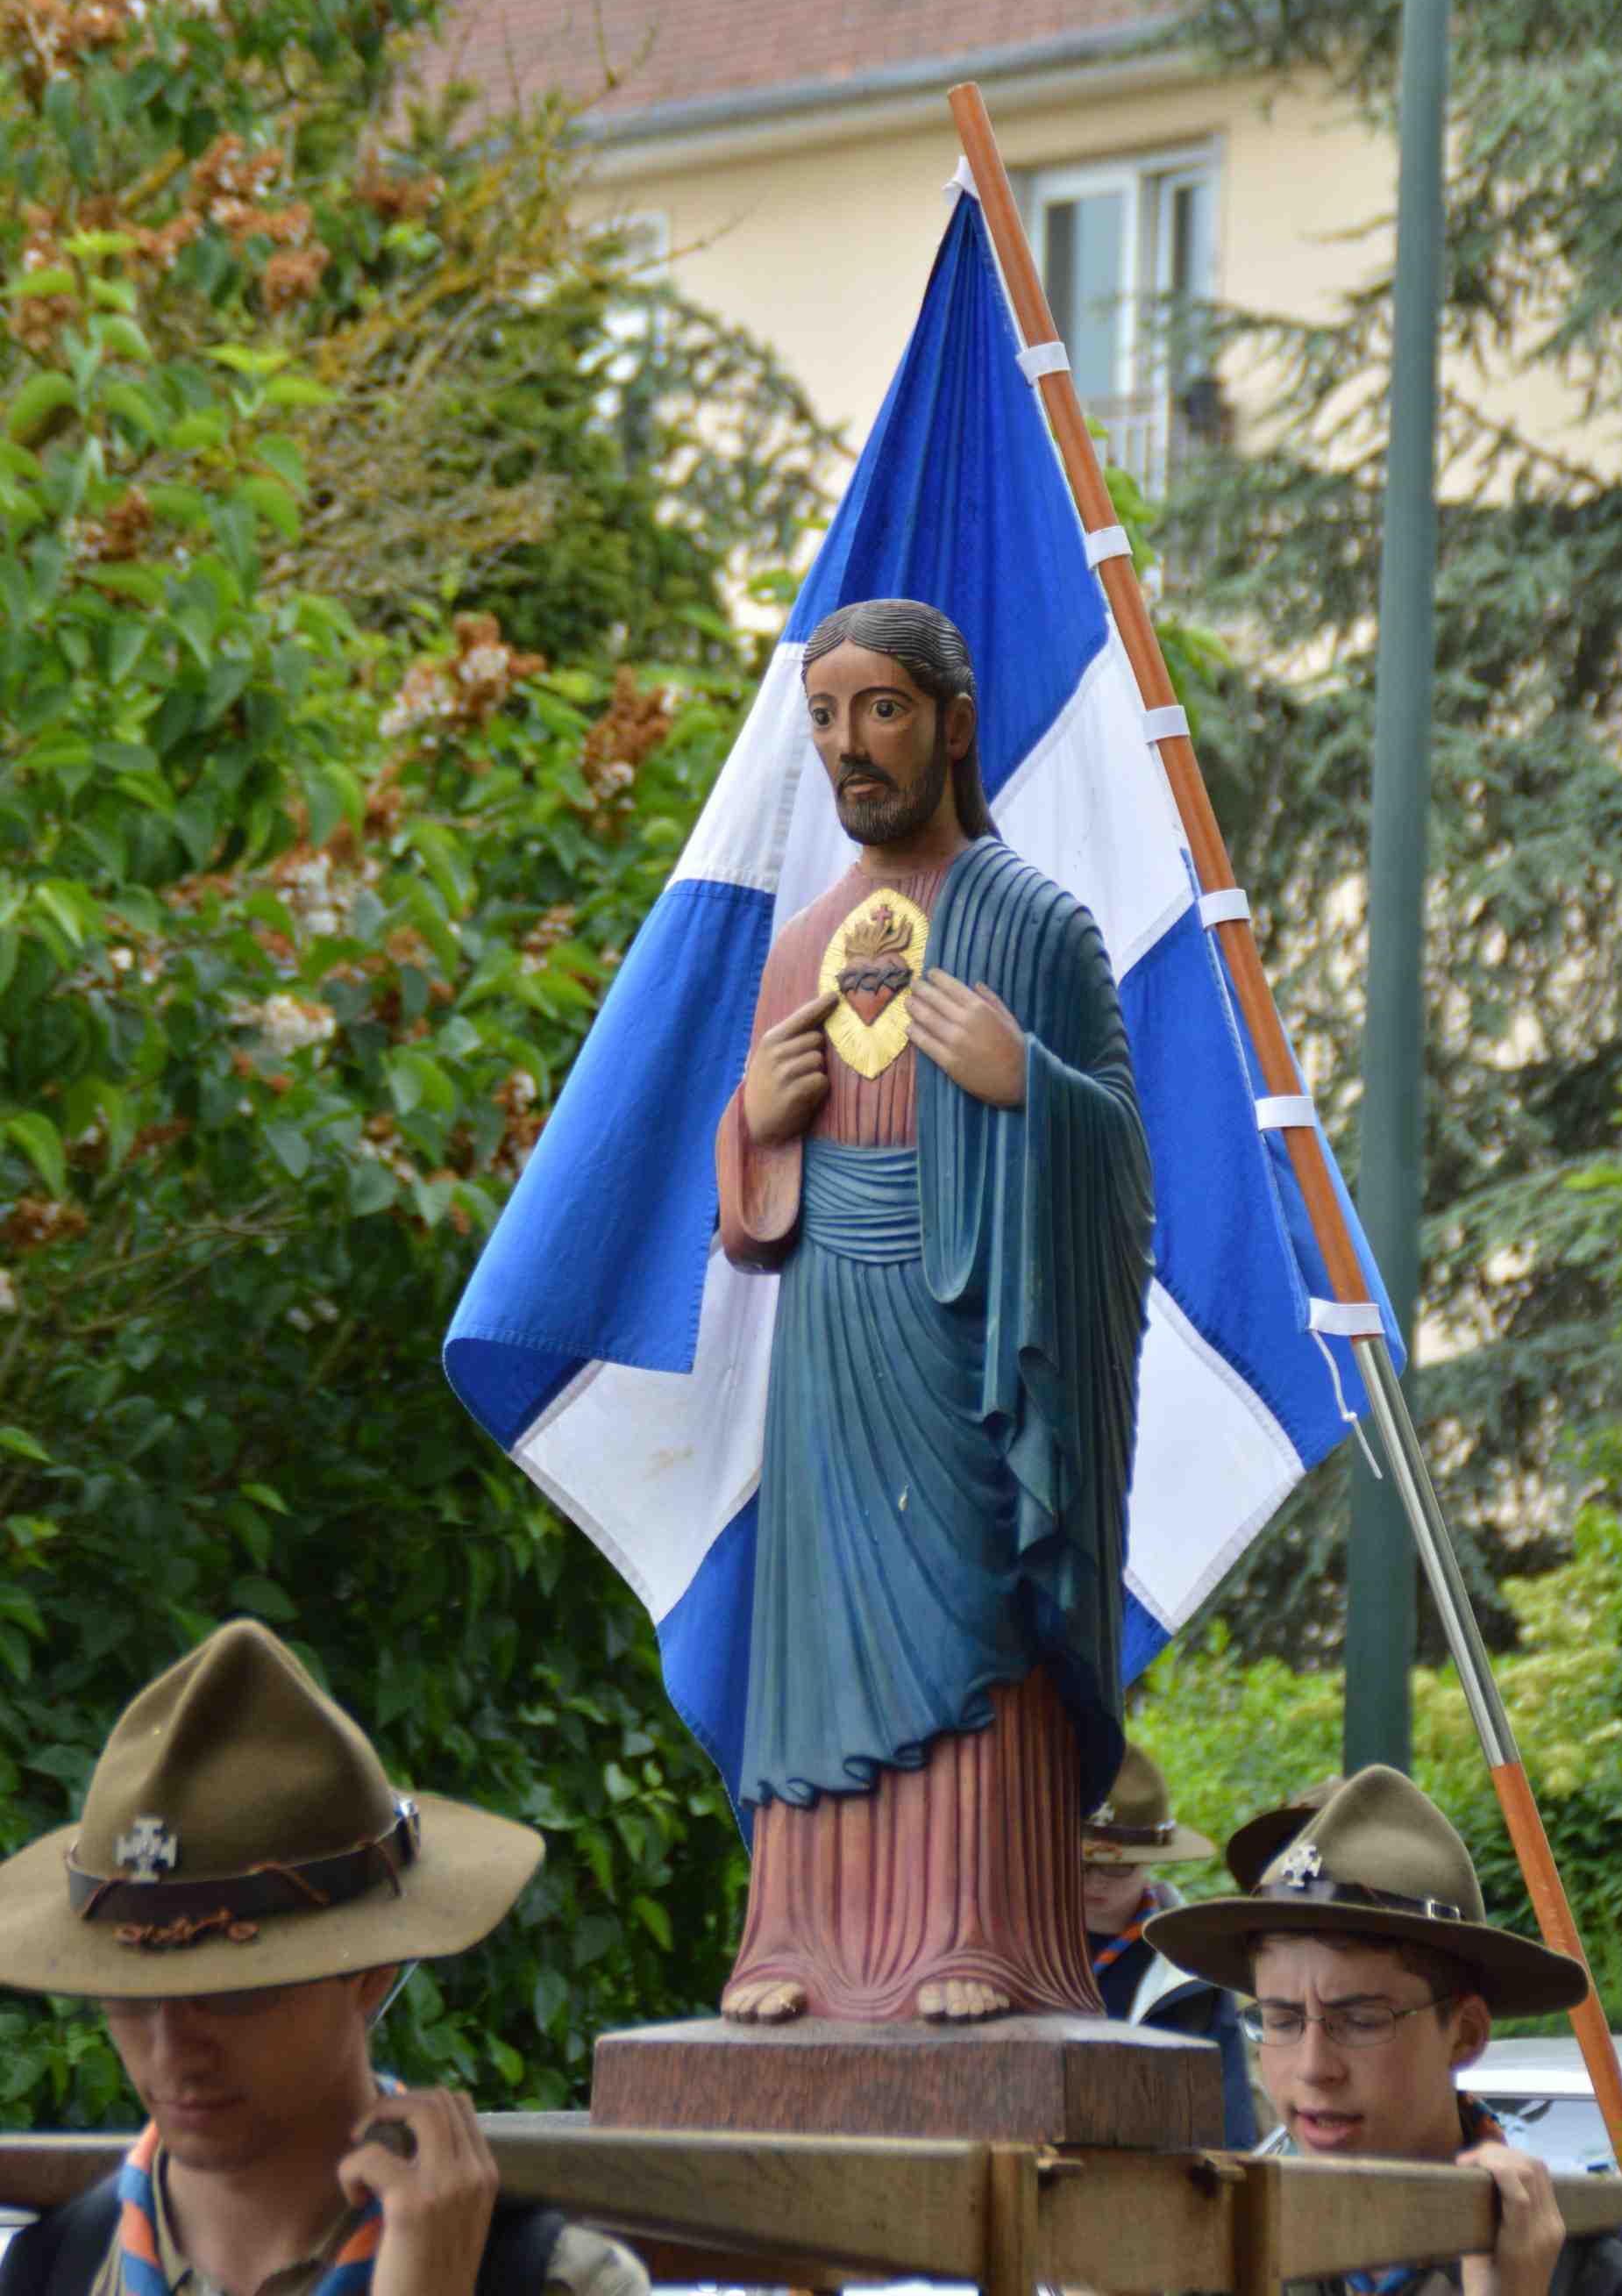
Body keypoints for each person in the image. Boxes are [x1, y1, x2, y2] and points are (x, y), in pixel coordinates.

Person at [715, 597, 1154, 2026]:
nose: (852, 746)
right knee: (825, 1623)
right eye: (828, 718)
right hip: (833, 1335)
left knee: (971, 1607)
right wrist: (757, 1123)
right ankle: (798, 1936)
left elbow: (1128, 1174)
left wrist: (1031, 1082)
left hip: (974, 1323)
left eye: (882, 710)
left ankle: (980, 1927)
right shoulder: (805, 947)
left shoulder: (1035, 924)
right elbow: (746, 1219)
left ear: (954, 726)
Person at [0, 1620, 648, 2296]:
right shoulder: (51, 2272)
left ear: (372, 1972)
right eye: (128, 1995)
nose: (170, 2053)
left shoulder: (552, 2282)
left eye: (231, 1992)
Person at [1144, 1764, 1622, 2296]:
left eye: (1361, 2021)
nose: (1313, 2067)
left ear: (1463, 2034)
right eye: (1281, 2020)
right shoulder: (1223, 2254)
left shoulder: (1591, 2279)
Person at [1082, 1743, 1257, 2146]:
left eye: (1118, 1865)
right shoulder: (1015, 1953)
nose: (1095, 1882)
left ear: (1153, 1859)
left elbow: (1231, 2131)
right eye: (1081, 1863)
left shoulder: (1193, 1970)